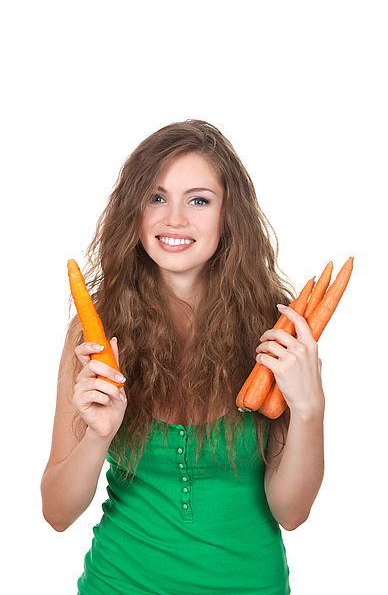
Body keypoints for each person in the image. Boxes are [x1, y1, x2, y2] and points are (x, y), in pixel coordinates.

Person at [40, 119, 325, 595]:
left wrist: (310, 410)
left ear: (228, 214)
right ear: (133, 212)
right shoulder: (96, 331)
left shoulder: (278, 330)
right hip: (119, 583)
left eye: (198, 199)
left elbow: (291, 513)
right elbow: (56, 512)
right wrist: (96, 436)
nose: (174, 219)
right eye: (155, 197)